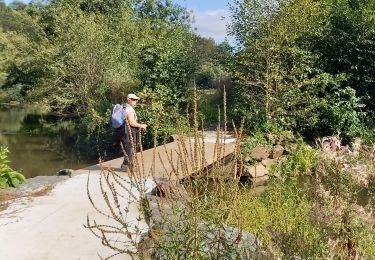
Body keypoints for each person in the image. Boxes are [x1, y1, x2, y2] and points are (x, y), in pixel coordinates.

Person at [115, 93, 147, 171]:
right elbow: (132, 122)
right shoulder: (129, 109)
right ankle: (131, 166)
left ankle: (125, 165)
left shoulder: (124, 107)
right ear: (129, 100)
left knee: (128, 147)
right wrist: (141, 125)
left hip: (124, 130)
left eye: (136, 100)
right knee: (131, 147)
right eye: (134, 99)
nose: (136, 101)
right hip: (129, 130)